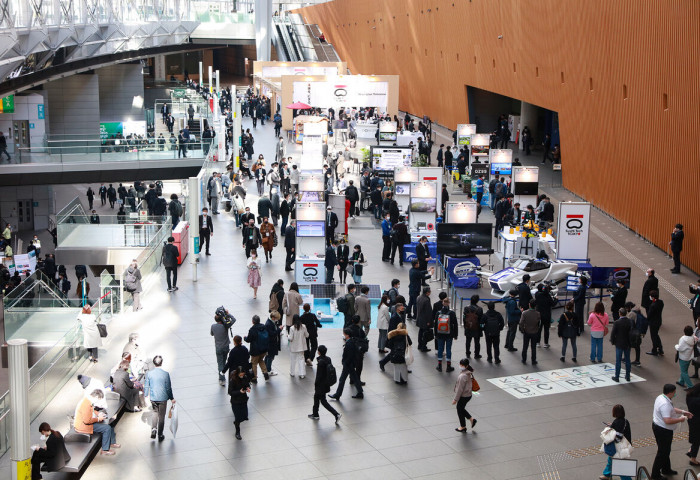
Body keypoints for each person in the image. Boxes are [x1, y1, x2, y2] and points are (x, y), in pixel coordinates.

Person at [651, 384, 692, 479]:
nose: (675, 394)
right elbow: (667, 420)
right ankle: (655, 474)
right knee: (662, 452)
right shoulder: (665, 404)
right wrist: (680, 419)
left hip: (658, 427)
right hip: (663, 430)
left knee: (666, 450)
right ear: (670, 393)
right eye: (674, 392)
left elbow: (671, 410)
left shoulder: (661, 397)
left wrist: (683, 412)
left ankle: (666, 468)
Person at [74, 390, 119, 455]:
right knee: (107, 428)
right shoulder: (85, 404)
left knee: (110, 423)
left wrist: (98, 413)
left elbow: (92, 410)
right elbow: (87, 421)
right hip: (83, 426)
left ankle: (112, 442)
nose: (98, 401)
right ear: (96, 397)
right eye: (99, 399)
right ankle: (105, 450)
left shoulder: (88, 400)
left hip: (86, 423)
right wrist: (98, 419)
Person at [144, 355, 175, 441]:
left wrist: (146, 395)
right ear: (161, 363)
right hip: (162, 398)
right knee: (161, 416)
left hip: (153, 397)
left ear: (154, 363)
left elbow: (146, 386)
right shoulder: (165, 374)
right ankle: (160, 434)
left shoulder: (149, 373)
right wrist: (171, 398)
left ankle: (154, 428)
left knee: (155, 412)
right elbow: (168, 387)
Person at [309, 345, 341, 422]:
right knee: (316, 398)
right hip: (326, 384)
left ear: (319, 352)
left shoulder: (321, 362)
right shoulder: (328, 359)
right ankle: (315, 414)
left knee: (323, 401)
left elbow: (319, 376)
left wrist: (316, 384)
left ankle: (336, 414)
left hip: (320, 385)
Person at [328, 328, 364, 400]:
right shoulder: (351, 341)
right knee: (355, 378)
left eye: (344, 334)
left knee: (342, 379)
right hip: (350, 364)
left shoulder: (349, 343)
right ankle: (360, 392)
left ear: (347, 335)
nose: (343, 335)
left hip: (348, 365)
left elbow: (349, 355)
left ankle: (338, 394)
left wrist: (345, 363)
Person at [600, 404, 632, 480]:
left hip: (620, 447)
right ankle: (607, 475)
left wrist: (609, 433)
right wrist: (611, 425)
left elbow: (618, 438)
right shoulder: (624, 420)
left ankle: (626, 479)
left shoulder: (618, 422)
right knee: (610, 460)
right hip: (623, 446)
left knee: (619, 466)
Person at [435, 297, 459, 372]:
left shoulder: (438, 313)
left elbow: (435, 325)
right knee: (448, 349)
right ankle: (448, 366)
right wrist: (455, 335)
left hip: (440, 334)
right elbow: (455, 324)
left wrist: (435, 334)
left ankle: (439, 365)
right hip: (449, 334)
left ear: (442, 303)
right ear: (448, 303)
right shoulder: (452, 313)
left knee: (440, 349)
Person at [453, 358, 477, 433]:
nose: (460, 366)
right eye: (460, 364)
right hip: (468, 394)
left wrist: (455, 399)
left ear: (466, 366)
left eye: (462, 365)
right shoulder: (468, 372)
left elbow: (460, 389)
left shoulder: (463, 376)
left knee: (459, 409)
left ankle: (463, 426)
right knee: (461, 408)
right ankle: (471, 420)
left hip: (464, 396)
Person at [610, 307, 632, 382]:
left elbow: (613, 333)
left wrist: (612, 341)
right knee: (628, 360)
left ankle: (617, 376)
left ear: (620, 314)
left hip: (619, 343)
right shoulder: (629, 321)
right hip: (627, 343)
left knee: (618, 361)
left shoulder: (617, 322)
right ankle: (628, 376)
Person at [229, 366, 251, 440]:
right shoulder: (233, 380)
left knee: (245, 416)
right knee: (238, 417)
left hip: (243, 400)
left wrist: (248, 388)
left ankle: (236, 422)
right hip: (236, 402)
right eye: (241, 374)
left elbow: (247, 384)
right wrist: (239, 392)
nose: (242, 376)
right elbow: (230, 392)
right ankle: (237, 432)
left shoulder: (244, 377)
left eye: (243, 374)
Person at [212, 311, 231, 386]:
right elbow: (232, 320)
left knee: (220, 363)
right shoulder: (226, 326)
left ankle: (222, 379)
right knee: (224, 361)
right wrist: (227, 314)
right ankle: (222, 375)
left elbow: (211, 333)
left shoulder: (213, 326)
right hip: (226, 346)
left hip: (218, 347)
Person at [519, 299, 540, 365]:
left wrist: (522, 329)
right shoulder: (537, 313)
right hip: (534, 332)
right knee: (533, 347)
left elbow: (521, 323)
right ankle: (533, 360)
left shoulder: (524, 313)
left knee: (525, 346)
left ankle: (524, 359)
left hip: (527, 331)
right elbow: (539, 323)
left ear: (529, 305)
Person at [463, 295, 483, 359]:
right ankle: (476, 354)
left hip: (468, 327)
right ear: (477, 301)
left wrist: (465, 325)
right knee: (477, 342)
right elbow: (481, 320)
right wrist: (481, 328)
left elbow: (464, 318)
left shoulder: (466, 308)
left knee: (468, 341)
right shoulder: (480, 309)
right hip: (476, 328)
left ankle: (467, 353)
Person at [647, 290, 665, 356]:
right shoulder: (660, 302)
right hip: (658, 321)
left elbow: (649, 315)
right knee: (656, 335)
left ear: (653, 297)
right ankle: (660, 349)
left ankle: (654, 350)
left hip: (653, 322)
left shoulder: (653, 305)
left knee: (653, 337)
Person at [415, 286, 433, 352]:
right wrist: (429, 321)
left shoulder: (419, 297)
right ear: (427, 292)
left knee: (420, 332)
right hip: (425, 320)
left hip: (420, 318)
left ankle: (420, 344)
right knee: (425, 334)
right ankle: (423, 346)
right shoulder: (426, 300)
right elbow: (428, 311)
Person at [686, 384, 700, 466]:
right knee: (697, 440)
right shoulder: (698, 400)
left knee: (696, 439)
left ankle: (692, 452)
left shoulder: (689, 396)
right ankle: (693, 458)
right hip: (698, 422)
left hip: (692, 420)